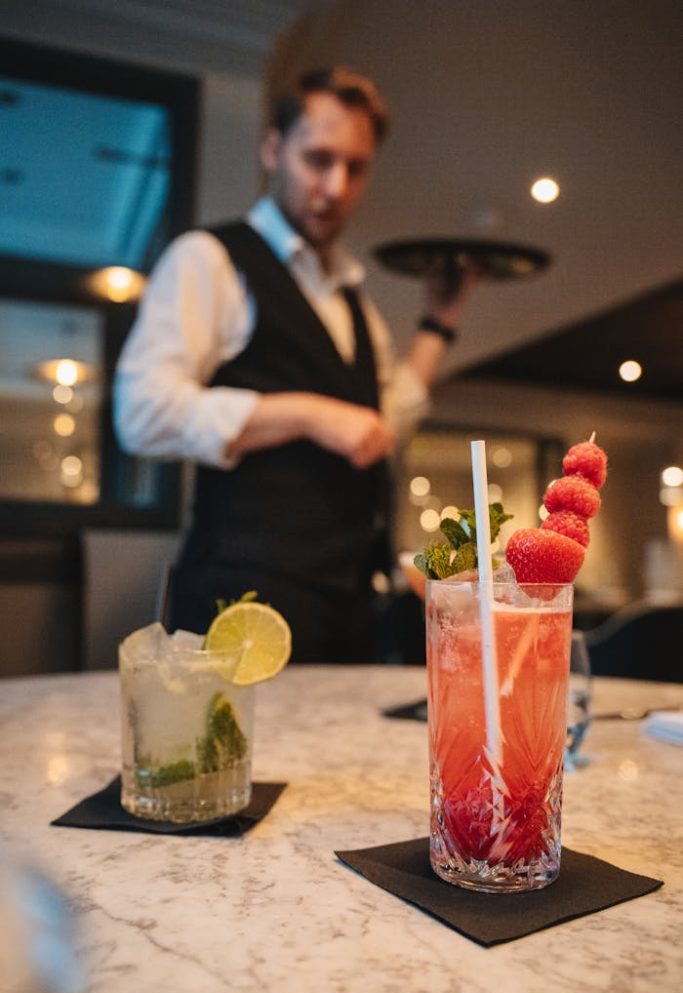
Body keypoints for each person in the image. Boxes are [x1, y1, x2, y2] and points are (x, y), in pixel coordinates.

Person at [114, 67, 478, 662]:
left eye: (355, 167)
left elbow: (378, 427)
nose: (335, 186)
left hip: (349, 606)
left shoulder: (351, 301)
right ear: (273, 149)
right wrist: (307, 414)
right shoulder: (210, 259)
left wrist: (440, 321)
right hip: (241, 600)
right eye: (319, 159)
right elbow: (142, 413)